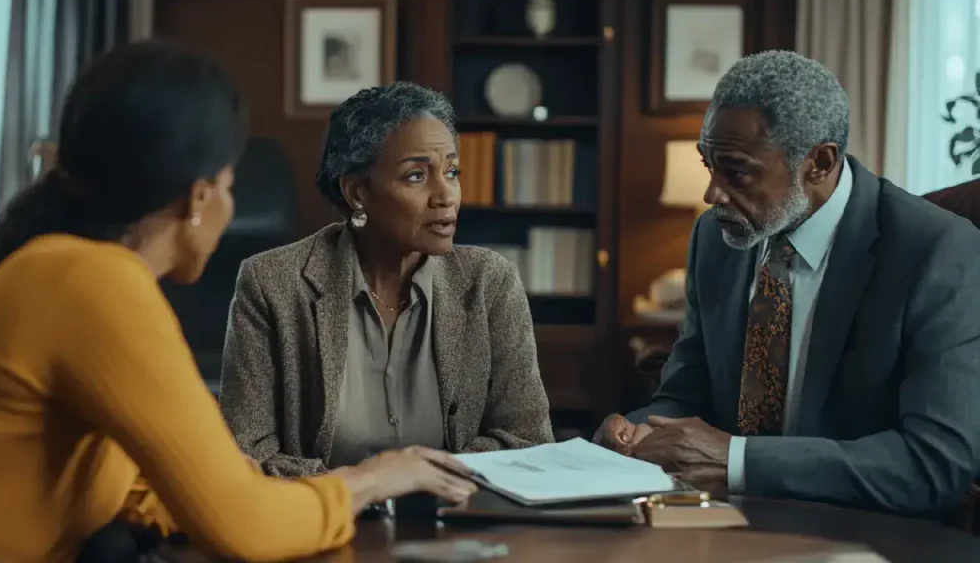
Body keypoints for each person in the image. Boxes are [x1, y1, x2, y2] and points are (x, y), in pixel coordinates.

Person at [0, 42, 475, 563]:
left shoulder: (63, 270)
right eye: (229, 184)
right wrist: (374, 479)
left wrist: (240, 487)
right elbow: (245, 529)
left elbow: (149, 486)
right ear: (200, 198)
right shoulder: (91, 283)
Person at [595, 50, 980, 517]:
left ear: (818, 162)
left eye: (736, 171)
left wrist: (737, 461)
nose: (712, 194)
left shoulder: (936, 252)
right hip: (715, 523)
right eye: (708, 165)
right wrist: (635, 432)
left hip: (863, 530)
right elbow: (688, 393)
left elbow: (934, 464)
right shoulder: (715, 240)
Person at [218, 81, 555, 477]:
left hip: (460, 524)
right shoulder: (272, 283)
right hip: (321, 525)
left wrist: (420, 481)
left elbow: (529, 439)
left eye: (451, 171)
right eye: (416, 176)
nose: (446, 195)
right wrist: (371, 485)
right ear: (357, 193)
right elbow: (247, 455)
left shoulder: (489, 282)